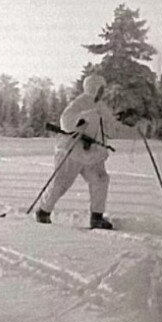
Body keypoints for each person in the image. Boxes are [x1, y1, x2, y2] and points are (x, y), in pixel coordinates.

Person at [35, 74, 140, 229]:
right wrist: (85, 117)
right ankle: (43, 211)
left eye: (103, 89)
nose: (102, 92)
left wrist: (135, 132)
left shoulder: (102, 107)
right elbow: (66, 121)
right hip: (72, 151)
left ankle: (96, 217)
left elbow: (113, 129)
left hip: (93, 154)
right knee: (61, 182)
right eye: (100, 88)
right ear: (92, 87)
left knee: (101, 180)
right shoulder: (80, 103)